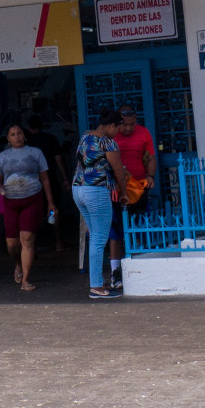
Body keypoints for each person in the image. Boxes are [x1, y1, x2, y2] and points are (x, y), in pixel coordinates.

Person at [72, 109, 131, 299]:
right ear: (112, 126)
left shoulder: (85, 137)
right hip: (95, 191)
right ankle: (96, 286)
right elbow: (118, 172)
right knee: (99, 239)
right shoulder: (108, 143)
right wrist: (123, 193)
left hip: (78, 190)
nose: (118, 133)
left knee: (95, 237)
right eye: (118, 129)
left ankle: (97, 281)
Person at [0, 123, 54, 291]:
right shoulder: (3, 156)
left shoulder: (36, 152)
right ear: (8, 138)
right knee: (12, 245)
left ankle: (26, 279)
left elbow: (44, 178)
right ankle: (18, 263)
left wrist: (50, 202)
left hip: (32, 199)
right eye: (13, 134)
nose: (17, 137)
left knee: (26, 240)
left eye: (19, 133)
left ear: (24, 135)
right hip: (11, 201)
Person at [110, 104, 158, 291]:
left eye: (132, 124)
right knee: (115, 231)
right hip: (116, 190)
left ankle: (139, 267)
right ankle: (115, 273)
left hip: (138, 188)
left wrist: (150, 176)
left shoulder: (144, 133)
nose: (129, 128)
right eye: (125, 125)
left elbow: (150, 158)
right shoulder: (112, 135)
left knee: (139, 227)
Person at [25, 113, 68, 252]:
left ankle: (33, 246)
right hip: (50, 180)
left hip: (30, 182)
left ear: (28, 126)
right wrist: (65, 178)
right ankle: (59, 242)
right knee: (53, 210)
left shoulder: (26, 142)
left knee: (33, 213)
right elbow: (59, 159)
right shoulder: (50, 139)